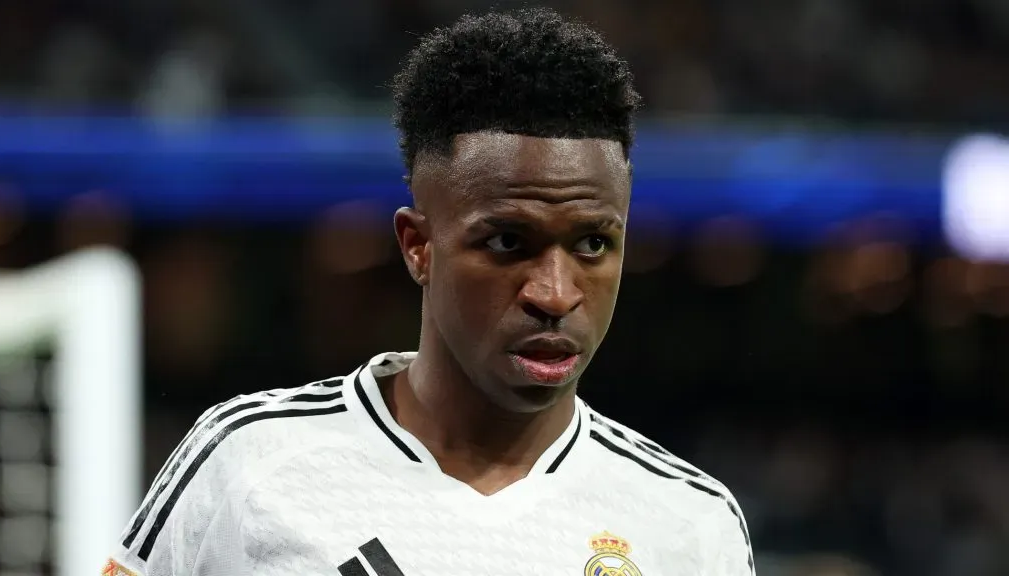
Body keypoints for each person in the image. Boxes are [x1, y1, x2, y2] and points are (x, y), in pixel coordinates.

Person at [105, 7, 754, 576]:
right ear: (418, 245)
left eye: (591, 245)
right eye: (507, 242)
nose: (556, 294)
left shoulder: (690, 524)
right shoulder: (248, 464)